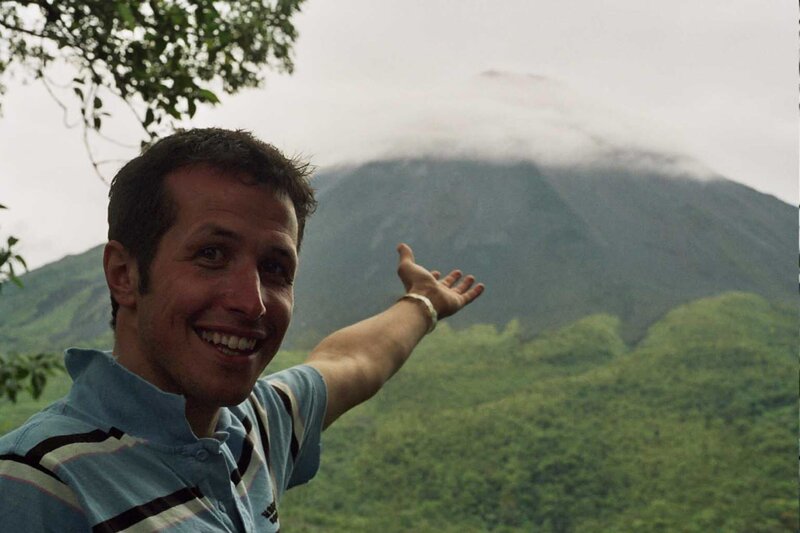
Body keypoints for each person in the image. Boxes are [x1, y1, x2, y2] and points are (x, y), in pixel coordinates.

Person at [0, 128, 484, 531]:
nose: (251, 302)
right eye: (211, 255)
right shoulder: (35, 483)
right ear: (124, 274)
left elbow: (353, 361)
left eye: (275, 268)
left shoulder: (252, 429)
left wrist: (424, 303)